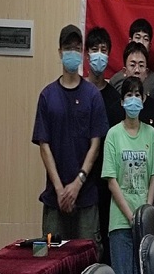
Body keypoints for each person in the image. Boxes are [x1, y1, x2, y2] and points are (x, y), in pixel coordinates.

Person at [32, 24, 108, 251]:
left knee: (88, 259)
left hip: (86, 198)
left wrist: (77, 183)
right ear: (59, 52)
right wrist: (59, 189)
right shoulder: (47, 96)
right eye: (68, 48)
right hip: (54, 199)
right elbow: (43, 145)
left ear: (82, 53)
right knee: (48, 260)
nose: (72, 52)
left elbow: (96, 144)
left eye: (76, 48)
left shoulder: (92, 95)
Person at [101, 76, 154, 274]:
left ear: (144, 100)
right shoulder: (113, 134)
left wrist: (145, 214)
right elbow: (111, 181)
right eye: (129, 95)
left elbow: (153, 177)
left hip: (143, 227)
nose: (133, 100)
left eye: (138, 95)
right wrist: (131, 216)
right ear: (122, 102)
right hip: (121, 225)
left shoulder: (151, 134)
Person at [85, 26, 124, 265]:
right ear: (86, 54)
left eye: (103, 49)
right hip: (84, 182)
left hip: (109, 185)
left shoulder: (115, 98)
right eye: (94, 49)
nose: (99, 54)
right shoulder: (80, 92)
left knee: (107, 249)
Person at [109, 18, 154, 97]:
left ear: (150, 45)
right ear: (130, 41)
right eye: (137, 37)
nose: (141, 42)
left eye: (145, 39)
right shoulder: (116, 80)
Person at [120, 41, 154, 128]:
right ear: (124, 71)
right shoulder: (114, 109)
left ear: (146, 72)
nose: (137, 70)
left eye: (141, 65)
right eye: (132, 65)